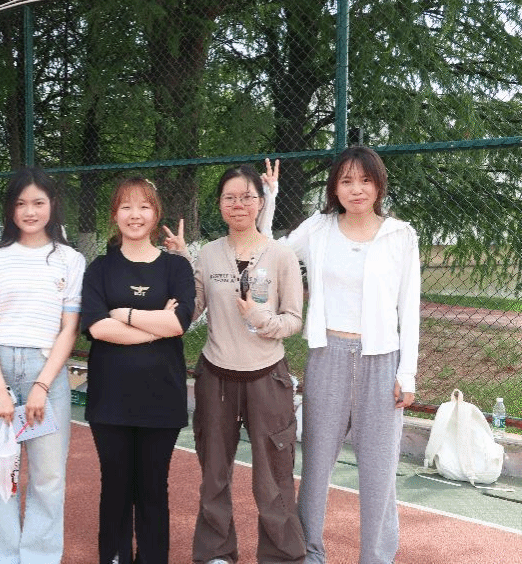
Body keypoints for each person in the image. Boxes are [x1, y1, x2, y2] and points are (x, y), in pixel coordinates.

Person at [263, 147, 420, 563]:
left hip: (382, 361)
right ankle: (309, 553)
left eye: (365, 180)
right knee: (315, 466)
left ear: (379, 186)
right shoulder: (319, 228)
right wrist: (271, 198)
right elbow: (271, 253)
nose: (356, 189)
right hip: (327, 355)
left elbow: (410, 308)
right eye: (346, 181)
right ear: (334, 187)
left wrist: (407, 374)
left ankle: (376, 557)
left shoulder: (400, 235)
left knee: (379, 472)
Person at [164, 164, 306, 564]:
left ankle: (281, 556)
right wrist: (180, 263)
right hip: (216, 375)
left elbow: (294, 320)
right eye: (230, 197)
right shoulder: (209, 254)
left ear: (261, 202)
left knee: (273, 478)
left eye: (247, 197)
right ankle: (216, 553)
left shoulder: (281, 255)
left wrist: (263, 320)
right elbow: (191, 310)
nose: (238, 204)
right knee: (214, 474)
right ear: (220, 204)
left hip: (268, 377)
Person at [0, 167, 86, 563]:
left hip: (46, 371)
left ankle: (39, 556)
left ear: (52, 205)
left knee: (49, 477)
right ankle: (2, 556)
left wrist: (41, 385)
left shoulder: (71, 260)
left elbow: (69, 328)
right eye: (21, 203)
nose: (30, 211)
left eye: (38, 202)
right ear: (10, 209)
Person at [81, 177, 196, 564]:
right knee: (115, 486)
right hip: (110, 399)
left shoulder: (176, 267)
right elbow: (98, 328)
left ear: (156, 213)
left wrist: (124, 314)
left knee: (152, 488)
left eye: (144, 206)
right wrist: (155, 325)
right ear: (115, 214)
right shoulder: (100, 269)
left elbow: (178, 323)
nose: (135, 214)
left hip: (161, 398)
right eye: (126, 206)